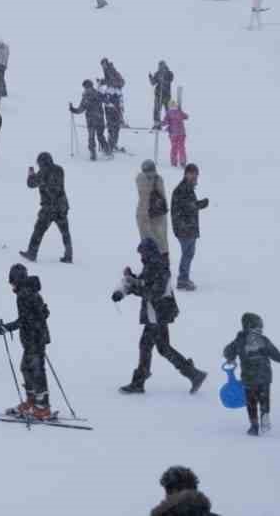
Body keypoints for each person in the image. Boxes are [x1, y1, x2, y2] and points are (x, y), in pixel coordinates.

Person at [114, 238, 206, 396]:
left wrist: (134, 287)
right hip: (157, 314)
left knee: (156, 347)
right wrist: (130, 280)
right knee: (155, 346)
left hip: (158, 314)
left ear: (148, 252)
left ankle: (191, 374)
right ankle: (191, 373)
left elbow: (153, 292)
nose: (141, 257)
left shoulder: (159, 267)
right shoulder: (152, 264)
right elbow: (143, 283)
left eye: (142, 253)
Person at [222, 312, 280, 435]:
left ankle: (254, 425)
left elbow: (227, 352)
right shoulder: (263, 340)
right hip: (264, 377)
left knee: (251, 403)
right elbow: (276, 355)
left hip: (248, 378)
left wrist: (230, 357)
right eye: (258, 326)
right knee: (264, 399)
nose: (260, 329)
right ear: (250, 326)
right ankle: (265, 415)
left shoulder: (239, 341)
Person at [0, 263, 53, 418]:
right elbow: (41, 313)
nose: (11, 284)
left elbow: (25, 319)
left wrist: (7, 328)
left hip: (34, 338)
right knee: (27, 368)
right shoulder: (31, 292)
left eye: (11, 280)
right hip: (35, 338)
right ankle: (32, 401)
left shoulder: (24, 294)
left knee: (36, 371)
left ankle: (42, 406)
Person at [19, 152, 72, 263]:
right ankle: (68, 255)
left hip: (49, 208)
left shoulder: (43, 172)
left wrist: (31, 174)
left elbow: (31, 184)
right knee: (65, 232)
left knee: (38, 230)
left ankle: (32, 253)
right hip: (62, 206)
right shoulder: (60, 169)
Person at [169, 165, 207, 290]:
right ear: (186, 174)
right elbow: (187, 206)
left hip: (188, 227)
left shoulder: (188, 188)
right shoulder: (182, 189)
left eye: (196, 174)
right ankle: (183, 280)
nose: (195, 177)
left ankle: (184, 278)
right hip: (184, 228)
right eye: (192, 174)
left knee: (189, 254)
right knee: (187, 254)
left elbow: (189, 206)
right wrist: (200, 204)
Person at [136, 159, 170, 255]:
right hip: (157, 215)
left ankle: (149, 263)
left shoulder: (140, 179)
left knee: (147, 241)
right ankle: (162, 262)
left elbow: (143, 197)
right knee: (161, 241)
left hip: (144, 214)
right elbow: (162, 197)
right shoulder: (158, 179)